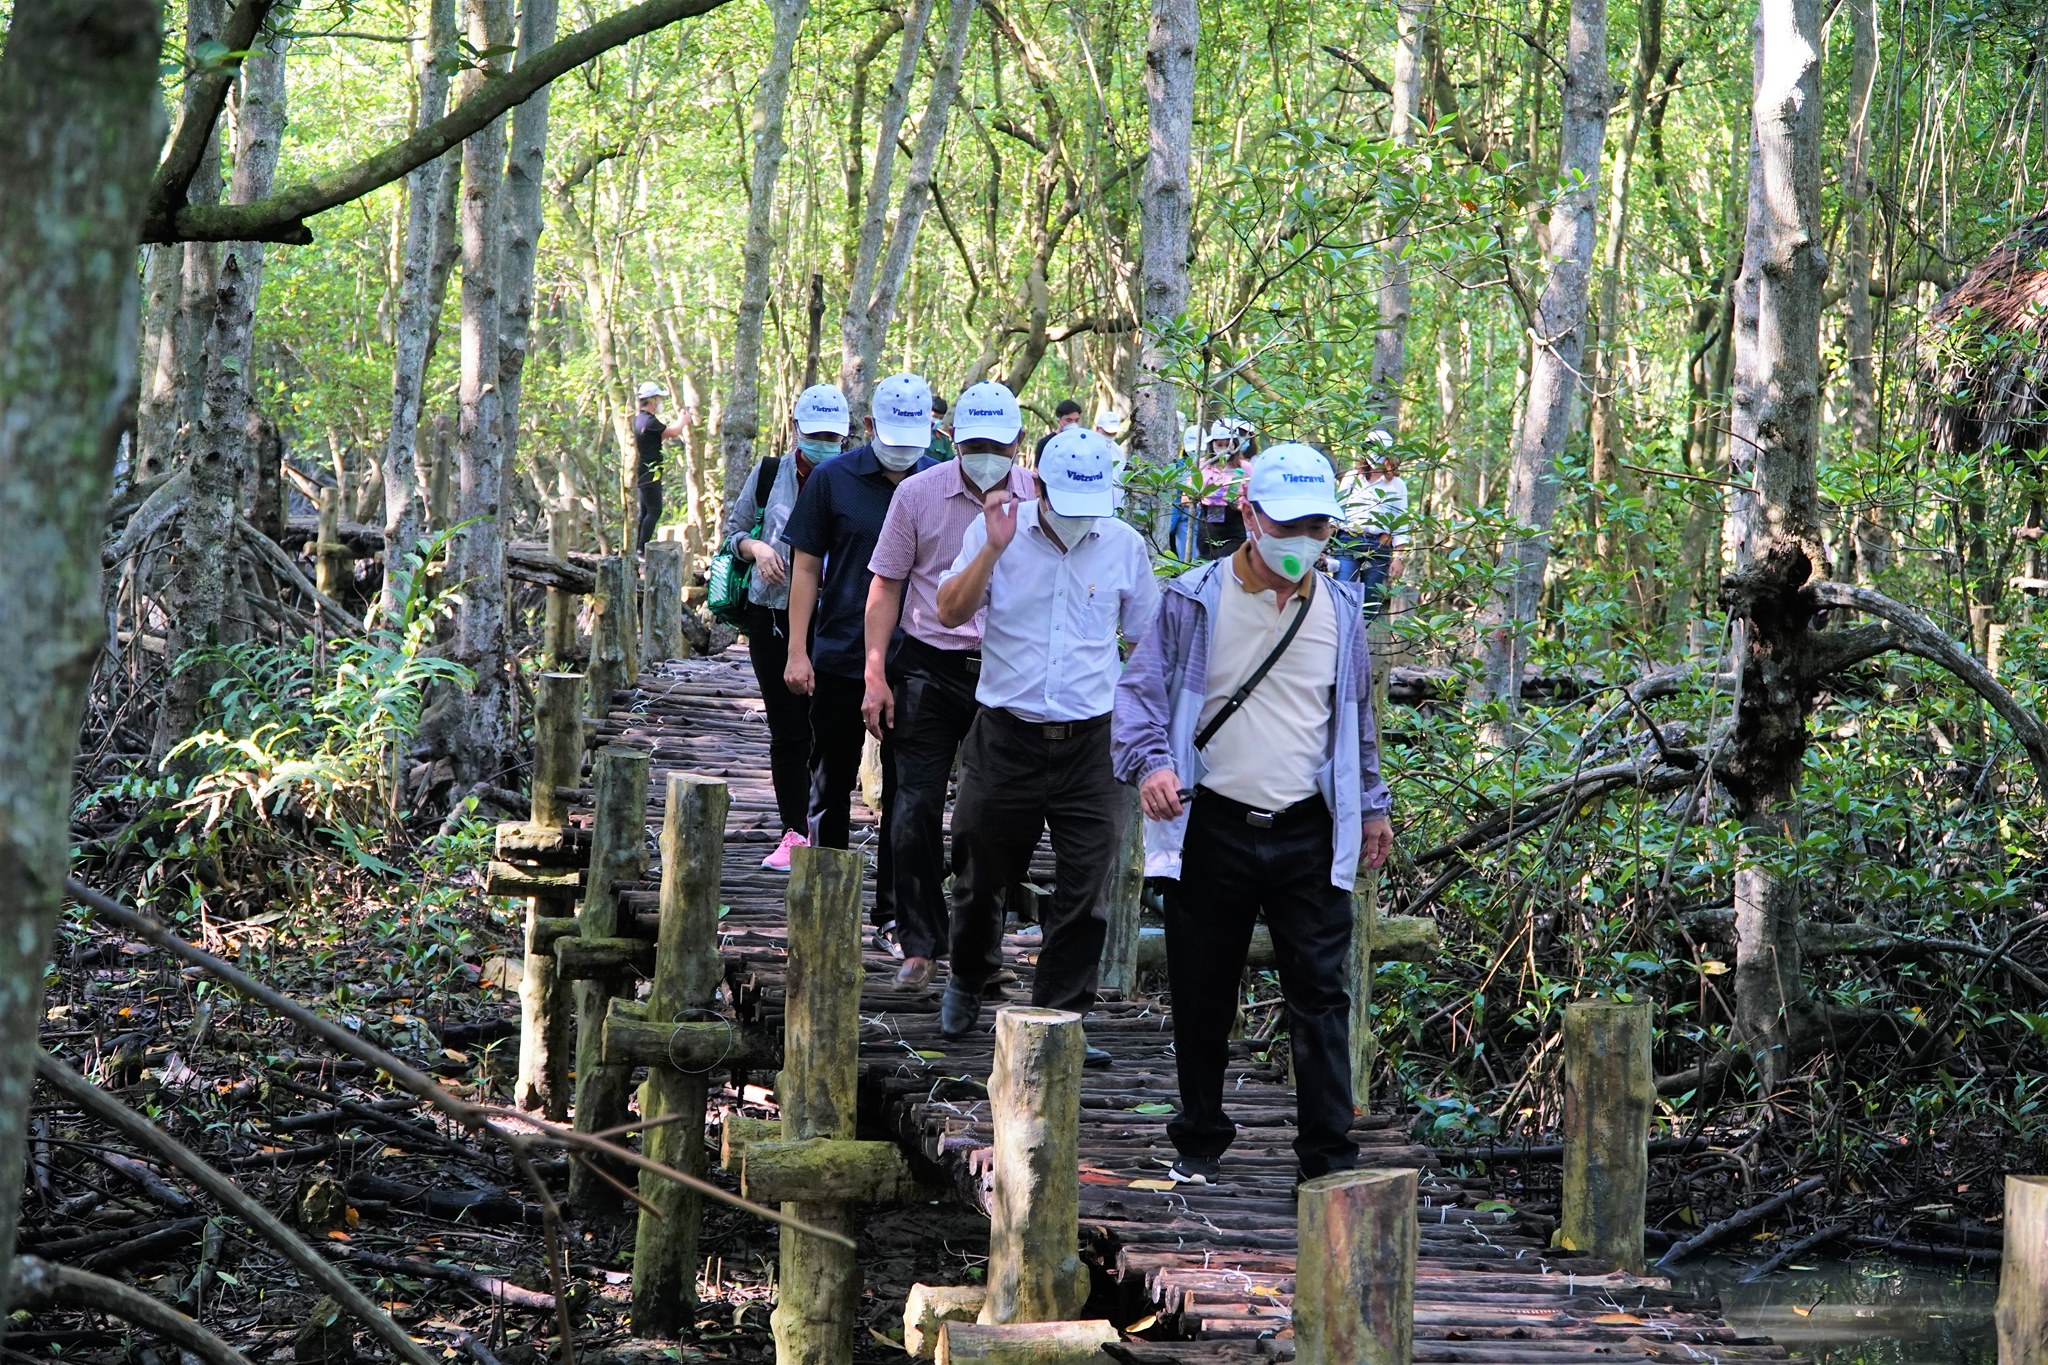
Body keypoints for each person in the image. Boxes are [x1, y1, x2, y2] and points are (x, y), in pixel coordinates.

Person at [1111, 441, 1396, 1187]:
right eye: (1290, 523)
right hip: (1214, 824)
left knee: (1322, 994)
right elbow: (1138, 694)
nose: (1304, 541)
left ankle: (1328, 1160)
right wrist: (1152, 764)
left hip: (1309, 827)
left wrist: (1371, 805)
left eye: (1318, 528)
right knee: (1203, 989)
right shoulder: (1191, 599)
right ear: (1249, 514)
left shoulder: (1341, 610)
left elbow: (1355, 721)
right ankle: (1199, 1140)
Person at [933, 428, 1160, 1062]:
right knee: (979, 871)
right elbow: (948, 614)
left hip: (1094, 741)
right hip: (1006, 733)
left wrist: (1145, 731)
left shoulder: (1123, 545)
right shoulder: (997, 528)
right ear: (1039, 484)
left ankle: (1061, 1016)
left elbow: (1144, 641)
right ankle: (967, 977)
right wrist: (992, 551)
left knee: (1086, 888)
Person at [862, 381, 1038, 989]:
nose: (985, 454)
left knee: (987, 820)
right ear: (952, 440)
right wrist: (875, 672)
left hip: (1007, 674)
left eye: (997, 443)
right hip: (927, 669)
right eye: (973, 443)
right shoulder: (917, 494)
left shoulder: (1040, 500)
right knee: (913, 807)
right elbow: (886, 585)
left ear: (1019, 442)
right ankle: (918, 941)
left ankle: (976, 950)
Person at [784, 373, 937, 943]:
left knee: (907, 789)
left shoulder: (938, 481)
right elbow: (805, 566)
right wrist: (797, 651)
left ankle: (895, 915)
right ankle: (827, 906)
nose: (901, 452)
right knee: (831, 779)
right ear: (869, 427)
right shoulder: (831, 480)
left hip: (918, 659)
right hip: (842, 653)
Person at [722, 384, 850, 870]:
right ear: (795, 428)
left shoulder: (853, 476)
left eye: (831, 435)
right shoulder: (770, 472)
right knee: (789, 730)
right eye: (813, 433)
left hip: (835, 620)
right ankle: (793, 831)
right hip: (770, 617)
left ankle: (827, 831)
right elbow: (732, 533)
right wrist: (757, 550)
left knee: (829, 730)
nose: (822, 442)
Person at [1332, 431, 1409, 621]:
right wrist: (1324, 544)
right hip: (1348, 541)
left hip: (1379, 545)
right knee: (1343, 595)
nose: (1373, 453)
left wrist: (1399, 557)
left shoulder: (1397, 484)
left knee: (1370, 605)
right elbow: (1337, 510)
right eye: (1369, 448)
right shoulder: (1352, 477)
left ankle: (1359, 644)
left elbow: (1401, 522)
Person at [632, 381, 690, 550]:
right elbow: (671, 432)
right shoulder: (649, 421)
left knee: (644, 512)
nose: (659, 402)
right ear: (651, 400)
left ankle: (638, 548)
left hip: (641, 471)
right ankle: (641, 548)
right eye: (658, 398)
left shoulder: (639, 421)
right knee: (654, 510)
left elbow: (656, 437)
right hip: (650, 472)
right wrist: (683, 420)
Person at [1194, 421, 1253, 561]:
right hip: (1207, 521)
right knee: (1206, 560)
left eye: (1228, 445)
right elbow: (1188, 496)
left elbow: (1252, 499)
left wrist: (1237, 504)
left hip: (1233, 523)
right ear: (1211, 445)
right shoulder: (1203, 465)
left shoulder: (1244, 467)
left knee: (1229, 561)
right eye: (1219, 445)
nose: (1224, 449)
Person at [929, 394, 956, 462]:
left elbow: (949, 463)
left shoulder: (944, 440)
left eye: (940, 418)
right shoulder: (913, 435)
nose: (937, 420)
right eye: (934, 416)